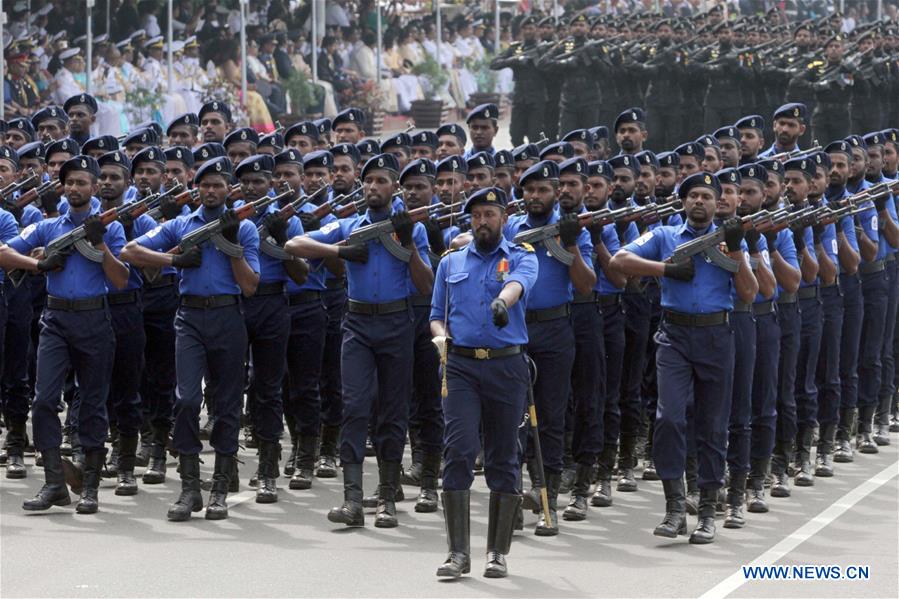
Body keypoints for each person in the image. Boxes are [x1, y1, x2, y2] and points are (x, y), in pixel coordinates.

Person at [285, 154, 433, 529]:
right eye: (367, 182)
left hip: (397, 322)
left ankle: (386, 497)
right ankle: (352, 500)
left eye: (380, 181)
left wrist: (408, 241)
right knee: (355, 406)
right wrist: (339, 250)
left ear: (394, 188)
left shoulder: (409, 226)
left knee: (392, 410)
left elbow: (426, 284)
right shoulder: (350, 225)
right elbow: (295, 244)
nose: (371, 187)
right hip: (358, 323)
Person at [611, 172, 758, 544]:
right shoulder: (664, 237)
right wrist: (665, 269)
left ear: (717, 202)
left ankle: (707, 511)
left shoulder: (727, 238)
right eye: (693, 195)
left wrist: (738, 250)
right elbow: (619, 259)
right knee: (669, 419)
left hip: (716, 336)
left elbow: (750, 292)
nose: (699, 202)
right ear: (683, 202)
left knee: (712, 425)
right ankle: (675, 507)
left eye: (707, 196)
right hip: (674, 335)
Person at [120, 156, 261, 522]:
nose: (211, 191)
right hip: (189, 316)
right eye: (205, 185)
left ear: (228, 189)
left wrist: (231, 246)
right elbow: (130, 251)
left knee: (228, 403)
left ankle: (218, 487)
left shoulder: (243, 228)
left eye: (217, 185)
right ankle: (189, 487)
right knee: (185, 399)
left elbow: (249, 286)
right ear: (196, 189)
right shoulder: (182, 224)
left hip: (228, 315)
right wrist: (174, 261)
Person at [8, 154, 129, 514]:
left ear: (94, 188)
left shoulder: (112, 226)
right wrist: (37, 264)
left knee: (92, 402)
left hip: (94, 319)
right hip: (56, 318)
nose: (74, 188)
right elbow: (4, 252)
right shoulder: (48, 227)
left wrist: (100, 244)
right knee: (44, 399)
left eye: (81, 182)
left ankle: (89, 486)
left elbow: (121, 280)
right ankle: (54, 483)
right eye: (69, 183)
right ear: (62, 188)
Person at [429, 186, 537, 579]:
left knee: (503, 455)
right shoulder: (450, 261)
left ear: (503, 218)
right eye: (476, 216)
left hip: (506, 368)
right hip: (459, 366)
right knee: (458, 450)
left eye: (489, 214)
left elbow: (518, 285)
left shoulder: (522, 256)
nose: (482, 222)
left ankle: (497, 551)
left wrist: (501, 303)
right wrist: (439, 336)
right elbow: (436, 313)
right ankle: (458, 553)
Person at [505, 160, 595, 535]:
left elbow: (587, 285)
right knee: (512, 418)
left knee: (552, 418)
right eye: (529, 190)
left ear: (557, 192)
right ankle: (512, 498)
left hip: (556, 328)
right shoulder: (512, 227)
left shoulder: (572, 229)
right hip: (516, 328)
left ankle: (548, 500)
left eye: (543, 190)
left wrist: (570, 243)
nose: (535, 196)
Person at [489, 15, 546, 146]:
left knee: (535, 136)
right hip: (520, 96)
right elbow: (494, 63)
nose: (528, 31)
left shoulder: (543, 48)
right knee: (515, 134)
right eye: (525, 28)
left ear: (537, 30)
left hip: (537, 97)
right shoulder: (515, 49)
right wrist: (513, 60)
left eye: (531, 28)